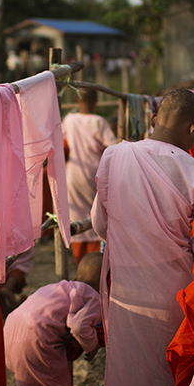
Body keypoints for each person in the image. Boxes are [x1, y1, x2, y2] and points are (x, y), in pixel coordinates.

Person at [92, 88, 194, 386]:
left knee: (130, 377)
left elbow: (100, 224)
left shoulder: (115, 155)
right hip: (172, 292)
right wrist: (175, 247)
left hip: (127, 290)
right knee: (169, 381)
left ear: (153, 118)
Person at [4, 253, 105, 386]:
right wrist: (93, 347)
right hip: (37, 341)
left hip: (11, 331)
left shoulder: (61, 287)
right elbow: (78, 326)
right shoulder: (94, 296)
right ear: (105, 282)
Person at [62, 87, 117, 263]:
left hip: (73, 175)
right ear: (95, 101)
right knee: (96, 216)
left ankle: (80, 262)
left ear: (77, 101)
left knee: (76, 216)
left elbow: (62, 144)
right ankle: (94, 262)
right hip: (94, 174)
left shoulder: (69, 120)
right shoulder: (99, 122)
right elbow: (113, 147)